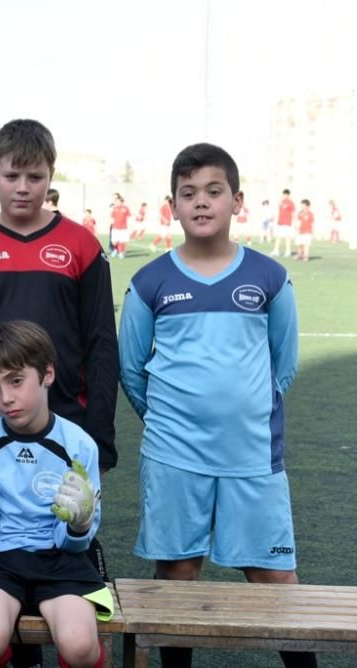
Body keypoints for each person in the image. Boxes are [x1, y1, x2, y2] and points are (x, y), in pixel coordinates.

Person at [119, 143, 317, 668]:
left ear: (236, 201)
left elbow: (285, 364)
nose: (201, 203)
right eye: (189, 194)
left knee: (274, 578)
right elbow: (133, 370)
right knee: (178, 578)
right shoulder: (150, 282)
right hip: (174, 456)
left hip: (251, 455)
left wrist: (244, 411)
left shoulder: (270, 278)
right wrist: (170, 421)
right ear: (173, 206)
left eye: (213, 191)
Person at [0, 119, 117, 668]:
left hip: (65, 421)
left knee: (63, 527)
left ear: (50, 177)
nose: (23, 187)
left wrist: (99, 434)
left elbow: (101, 343)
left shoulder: (80, 245)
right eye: (12, 175)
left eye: (35, 176)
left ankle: (68, 597)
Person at [0, 320, 113, 668]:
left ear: (47, 374)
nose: (5, 398)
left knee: (79, 646)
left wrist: (79, 525)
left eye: (16, 381)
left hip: (61, 559)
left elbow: (75, 543)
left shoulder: (80, 444)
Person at [270, 188, 295, 257]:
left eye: (286, 195)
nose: (284, 196)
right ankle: (276, 250)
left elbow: (293, 213)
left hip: (287, 223)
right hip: (280, 223)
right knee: (278, 237)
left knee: (287, 237)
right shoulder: (281, 202)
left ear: (288, 195)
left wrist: (294, 222)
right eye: (283, 195)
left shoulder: (291, 203)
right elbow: (278, 211)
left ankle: (288, 251)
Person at [108, 193, 130, 258]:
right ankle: (115, 249)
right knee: (114, 242)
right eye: (116, 201)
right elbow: (111, 217)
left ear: (121, 202)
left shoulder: (126, 208)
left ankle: (121, 253)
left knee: (122, 241)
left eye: (117, 201)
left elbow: (129, 217)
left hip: (123, 228)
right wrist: (110, 224)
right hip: (115, 227)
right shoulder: (114, 208)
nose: (116, 202)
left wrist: (130, 226)